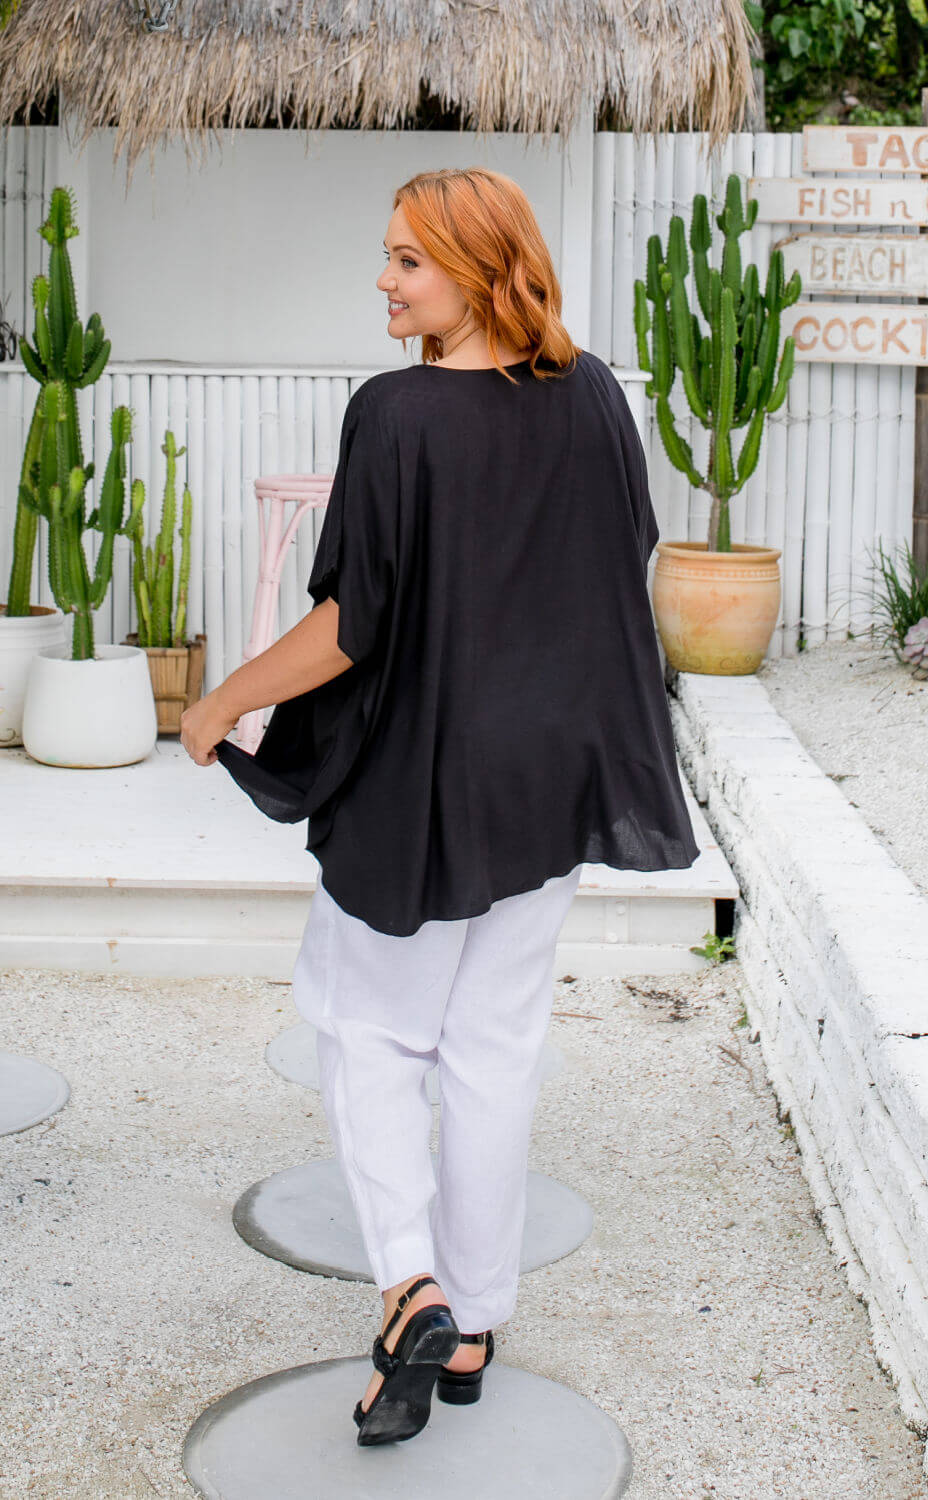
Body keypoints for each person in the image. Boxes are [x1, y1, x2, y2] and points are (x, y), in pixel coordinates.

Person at [179, 166, 700, 1447]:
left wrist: (216, 704)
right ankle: (473, 1320)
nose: (384, 279)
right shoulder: (594, 397)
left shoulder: (397, 415)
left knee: (368, 1030)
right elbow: (612, 557)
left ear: (474, 271)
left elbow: (352, 628)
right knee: (493, 1044)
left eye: (406, 260)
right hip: (551, 772)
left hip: (425, 780)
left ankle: (407, 1283)